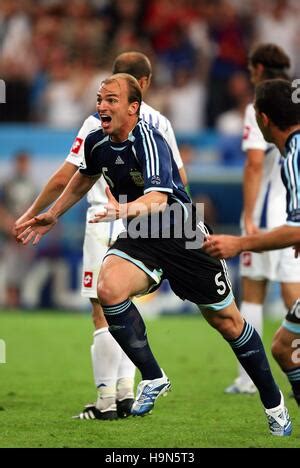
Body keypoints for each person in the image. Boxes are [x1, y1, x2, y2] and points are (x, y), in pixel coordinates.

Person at [17, 73, 292, 436]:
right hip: (142, 235)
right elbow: (84, 177)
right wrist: (54, 213)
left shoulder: (149, 138)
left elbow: (158, 199)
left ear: (134, 107)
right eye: (100, 98)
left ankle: (275, 406)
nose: (102, 105)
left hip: (182, 233)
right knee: (109, 289)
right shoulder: (97, 141)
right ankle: (153, 376)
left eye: (111, 100)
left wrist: (123, 211)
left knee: (228, 323)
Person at [14, 52, 187, 420]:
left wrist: (34, 213)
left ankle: (106, 400)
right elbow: (178, 183)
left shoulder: (97, 124)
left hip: (105, 220)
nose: (104, 103)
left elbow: (67, 177)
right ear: (147, 81)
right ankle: (127, 393)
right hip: (146, 225)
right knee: (124, 304)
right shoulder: (162, 124)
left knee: (101, 309)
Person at [203, 78, 300, 407]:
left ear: (264, 120)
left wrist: (239, 243)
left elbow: (296, 229)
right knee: (284, 346)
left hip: (264, 224)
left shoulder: (295, 154)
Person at [225, 44, 300, 396]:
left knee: (254, 294)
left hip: (271, 215)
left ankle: (248, 380)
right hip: (291, 209)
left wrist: (249, 221)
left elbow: (254, 163)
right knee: (292, 293)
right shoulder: (296, 97)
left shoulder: (261, 105)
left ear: (257, 68)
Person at [0, 151, 37, 308]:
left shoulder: (32, 185)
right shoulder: (7, 184)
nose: (23, 166)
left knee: (23, 270)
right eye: (21, 162)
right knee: (9, 269)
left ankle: (18, 303)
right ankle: (9, 302)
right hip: (8, 234)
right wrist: (8, 226)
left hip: (25, 234)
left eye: (26, 162)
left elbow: (34, 208)